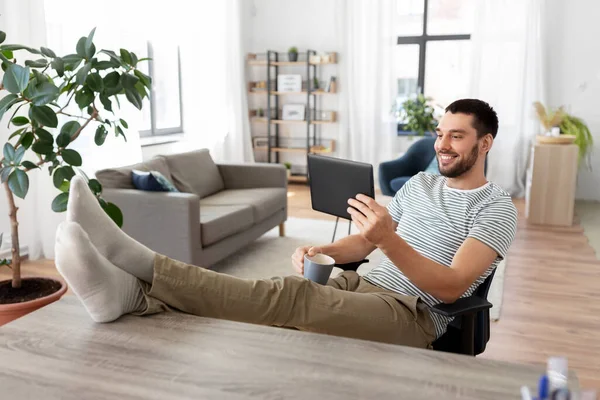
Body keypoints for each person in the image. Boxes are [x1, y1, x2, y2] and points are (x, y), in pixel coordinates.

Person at [56, 98, 517, 349]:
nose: (443, 145)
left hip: (413, 314)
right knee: (267, 302)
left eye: (457, 136)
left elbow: (454, 287)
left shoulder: (496, 207)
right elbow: (362, 246)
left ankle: (143, 267)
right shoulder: (421, 183)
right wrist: (325, 251)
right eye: (440, 134)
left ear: (486, 143)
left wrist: (388, 240)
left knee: (286, 298)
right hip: (366, 285)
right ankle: (134, 299)